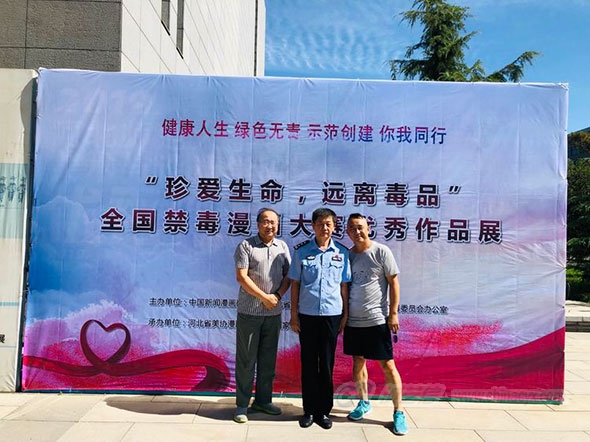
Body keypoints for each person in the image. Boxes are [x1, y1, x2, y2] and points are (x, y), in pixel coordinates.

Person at [344, 213, 408, 436]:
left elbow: (394, 283)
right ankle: (364, 402)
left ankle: (398, 411)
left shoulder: (381, 251)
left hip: (377, 319)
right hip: (353, 321)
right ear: (347, 232)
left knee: (388, 365)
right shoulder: (348, 255)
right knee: (358, 362)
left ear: (368, 228)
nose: (357, 232)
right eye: (352, 228)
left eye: (360, 227)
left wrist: (393, 313)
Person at [288, 208, 351, 430]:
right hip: (307, 315)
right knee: (308, 364)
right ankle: (308, 410)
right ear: (313, 226)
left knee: (326, 363)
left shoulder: (342, 253)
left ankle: (323, 411)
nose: (325, 228)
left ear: (334, 226)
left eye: (329, 224)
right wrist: (293, 315)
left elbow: (344, 287)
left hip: (332, 315)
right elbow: (295, 285)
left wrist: (345, 315)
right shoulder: (302, 252)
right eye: (320, 224)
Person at [233, 208, 291, 424]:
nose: (270, 226)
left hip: (273, 314)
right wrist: (264, 297)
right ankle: (242, 405)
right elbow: (242, 277)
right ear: (258, 224)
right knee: (246, 361)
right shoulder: (246, 246)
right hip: (250, 313)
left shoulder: (282, 247)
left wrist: (277, 296)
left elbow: (288, 277)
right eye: (266, 221)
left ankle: (263, 401)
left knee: (268, 361)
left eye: (274, 222)